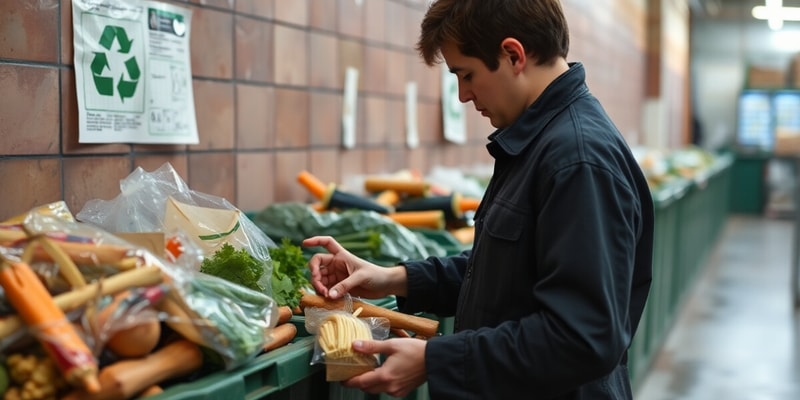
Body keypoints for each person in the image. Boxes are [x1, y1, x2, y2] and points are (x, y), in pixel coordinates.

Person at [303, 0, 654, 398]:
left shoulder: (576, 159)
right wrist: (391, 278)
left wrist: (436, 359)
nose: (463, 96)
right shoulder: (541, 141)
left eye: (466, 75)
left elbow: (581, 337)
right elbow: (507, 273)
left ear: (512, 55)